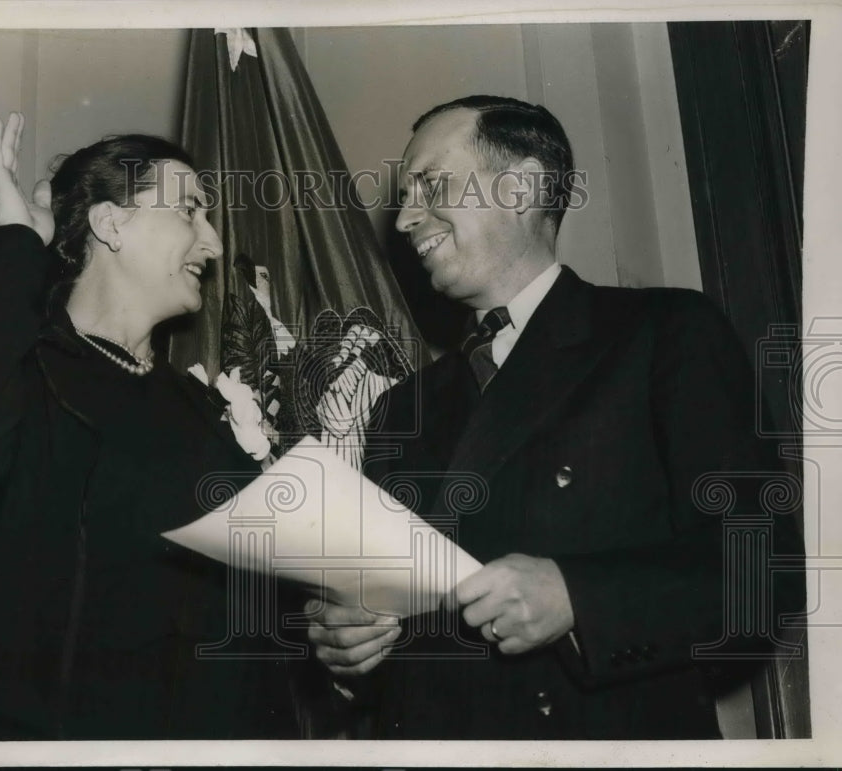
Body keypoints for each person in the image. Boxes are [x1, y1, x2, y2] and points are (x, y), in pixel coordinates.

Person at [306, 95, 806, 739]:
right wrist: (350, 654)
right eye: (405, 196)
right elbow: (397, 642)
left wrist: (578, 597)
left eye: (430, 184)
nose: (404, 218)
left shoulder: (664, 333)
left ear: (521, 188)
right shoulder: (401, 407)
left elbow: (760, 572)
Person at [0, 113, 298, 739]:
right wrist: (18, 244)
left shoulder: (200, 409)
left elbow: (254, 611)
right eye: (189, 211)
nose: (213, 244)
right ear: (111, 223)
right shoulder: (26, 373)